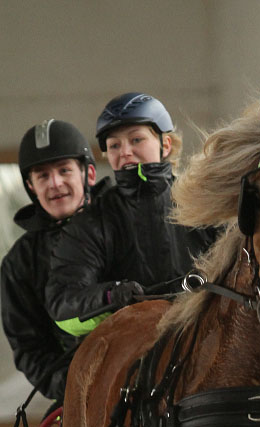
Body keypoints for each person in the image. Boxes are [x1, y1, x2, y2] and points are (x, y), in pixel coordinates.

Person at [45, 93, 218, 338]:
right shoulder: (92, 221)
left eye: (136, 139)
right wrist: (110, 296)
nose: (125, 152)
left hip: (207, 339)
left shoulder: (203, 203)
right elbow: (63, 305)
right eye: (114, 145)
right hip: (132, 350)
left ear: (165, 145)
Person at [1, 120, 110, 402]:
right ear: (30, 186)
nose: (56, 183)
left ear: (89, 173)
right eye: (43, 176)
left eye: (64, 170)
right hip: (81, 396)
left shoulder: (123, 226)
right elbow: (29, 348)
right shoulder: (18, 263)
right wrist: (77, 384)